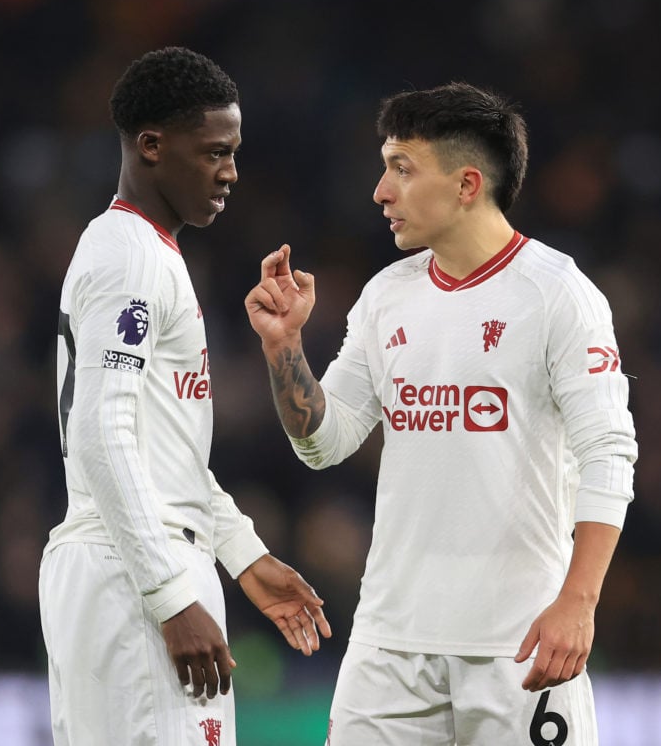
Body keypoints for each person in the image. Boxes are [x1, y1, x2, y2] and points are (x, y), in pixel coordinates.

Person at [245, 82, 637, 745]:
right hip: (389, 645)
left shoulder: (559, 296)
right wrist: (285, 349)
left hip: (518, 643)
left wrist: (579, 601)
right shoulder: (386, 297)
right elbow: (324, 440)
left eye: (402, 168)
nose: (380, 191)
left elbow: (610, 452)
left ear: (466, 184)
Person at [39, 46, 331, 746]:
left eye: (234, 152)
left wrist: (244, 555)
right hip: (132, 570)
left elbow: (158, 450)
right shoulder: (131, 256)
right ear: (151, 145)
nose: (231, 172)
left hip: (131, 561)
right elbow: (99, 432)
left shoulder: (144, 252)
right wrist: (174, 598)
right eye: (214, 152)